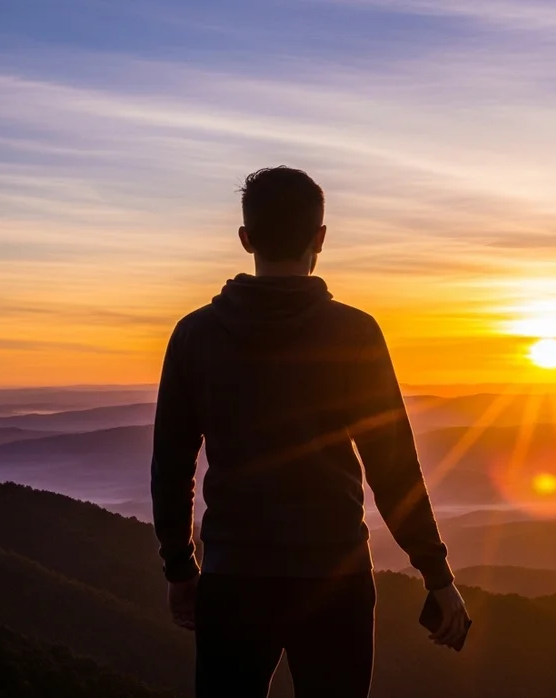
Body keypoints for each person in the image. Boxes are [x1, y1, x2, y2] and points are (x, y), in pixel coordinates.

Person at [150, 166, 468, 698]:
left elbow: (172, 465)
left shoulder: (195, 335)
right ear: (320, 238)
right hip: (333, 577)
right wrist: (436, 575)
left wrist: (181, 569)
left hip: (234, 578)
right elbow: (392, 469)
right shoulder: (354, 333)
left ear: (246, 239)